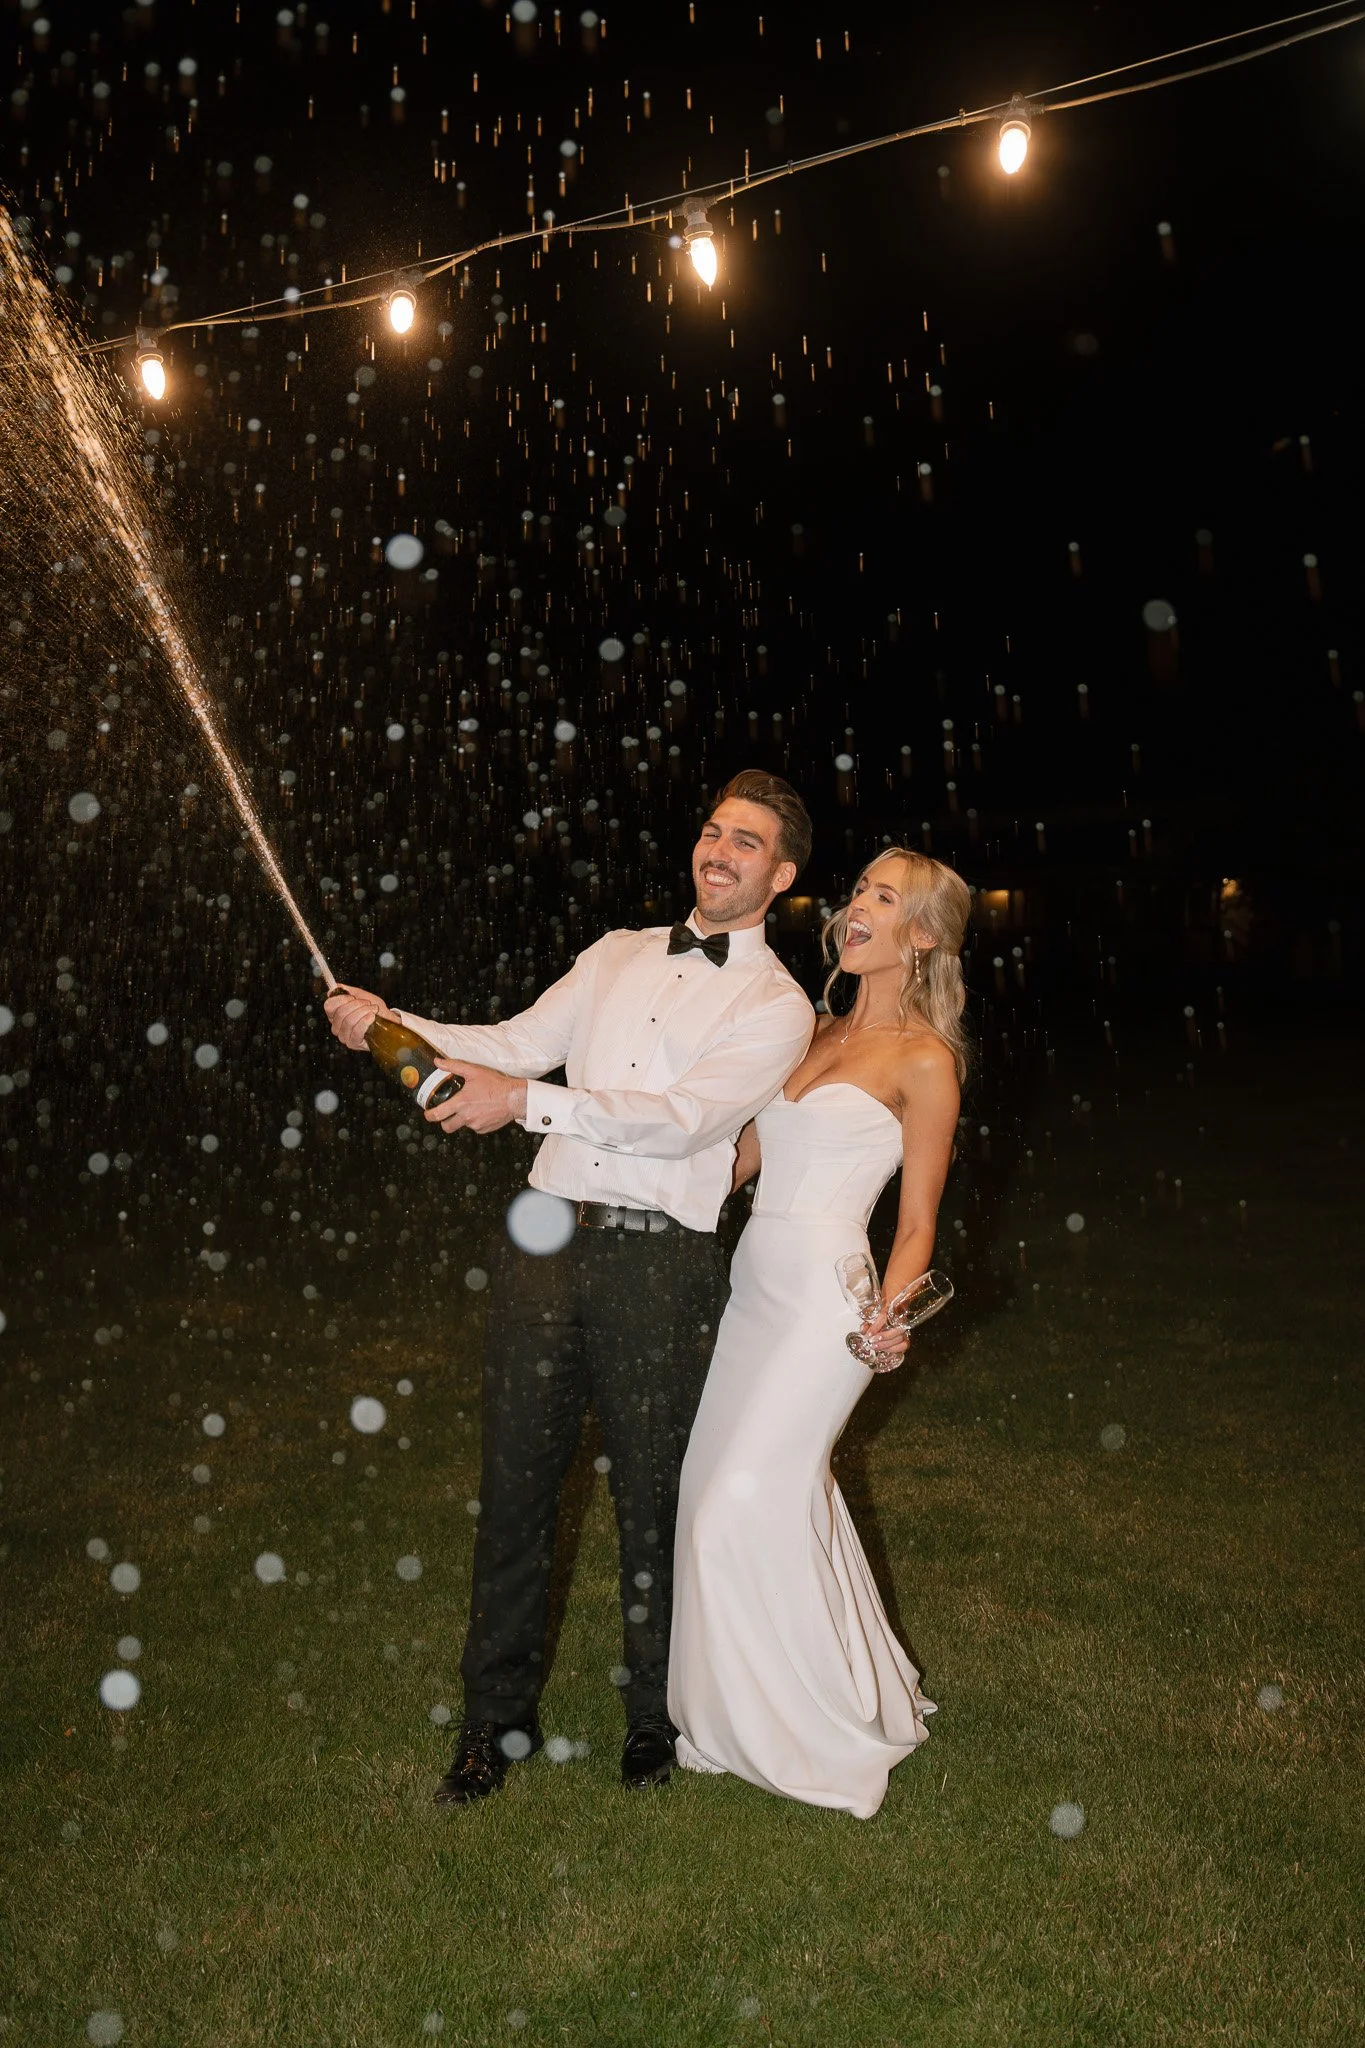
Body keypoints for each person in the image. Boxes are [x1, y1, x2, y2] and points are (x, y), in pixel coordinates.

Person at [323, 771, 816, 1802]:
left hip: (661, 1263)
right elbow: (512, 1044)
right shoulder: (615, 953)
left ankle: (656, 1717)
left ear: (782, 873)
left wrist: (528, 1105)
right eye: (714, 828)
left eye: (748, 841)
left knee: (653, 1495)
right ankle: (492, 1722)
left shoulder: (777, 1005)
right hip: (542, 1242)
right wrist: (389, 1021)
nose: (720, 850)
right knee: (513, 1487)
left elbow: (681, 1117)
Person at [668, 846, 971, 1819]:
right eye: (859, 893)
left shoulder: (926, 1060)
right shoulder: (811, 1032)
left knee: (738, 1503)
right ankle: (796, 1696)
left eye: (884, 898)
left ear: (921, 934)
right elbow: (738, 1160)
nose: (856, 908)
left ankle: (805, 1728)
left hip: (827, 1304)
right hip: (754, 1286)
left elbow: (918, 1216)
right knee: (726, 1492)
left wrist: (892, 1313)